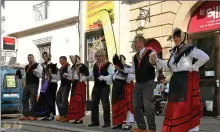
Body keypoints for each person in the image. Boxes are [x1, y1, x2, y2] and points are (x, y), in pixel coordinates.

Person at [149, 28, 209, 132]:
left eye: (178, 36)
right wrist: (156, 61)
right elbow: (168, 67)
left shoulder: (189, 49)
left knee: (185, 107)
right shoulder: (174, 53)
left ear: (183, 37)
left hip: (186, 81)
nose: (176, 38)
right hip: (175, 81)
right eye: (175, 36)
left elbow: (205, 57)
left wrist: (193, 67)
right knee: (176, 109)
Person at [116, 36, 156, 132]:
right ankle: (142, 127)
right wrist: (122, 69)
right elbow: (133, 70)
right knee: (135, 105)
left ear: (141, 42)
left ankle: (152, 129)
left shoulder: (151, 52)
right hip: (138, 83)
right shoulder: (135, 56)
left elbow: (156, 65)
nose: (134, 44)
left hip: (148, 82)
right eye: (134, 42)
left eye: (136, 42)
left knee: (147, 106)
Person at [88, 50, 114, 128]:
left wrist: (105, 77)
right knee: (94, 104)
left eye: (100, 56)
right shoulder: (95, 65)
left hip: (104, 87)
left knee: (105, 104)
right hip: (96, 87)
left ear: (103, 56)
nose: (98, 58)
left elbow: (112, 75)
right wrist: (86, 75)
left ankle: (107, 122)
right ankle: (95, 122)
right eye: (97, 56)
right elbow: (92, 75)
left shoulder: (108, 65)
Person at [110, 54, 135, 130]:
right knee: (117, 107)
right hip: (116, 90)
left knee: (126, 107)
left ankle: (128, 124)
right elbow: (112, 78)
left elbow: (131, 78)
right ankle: (119, 122)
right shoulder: (116, 71)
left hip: (124, 90)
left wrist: (124, 76)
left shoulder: (127, 68)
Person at [35, 52, 59, 121]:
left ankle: (51, 115)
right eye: (43, 56)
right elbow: (42, 75)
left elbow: (57, 73)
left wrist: (52, 77)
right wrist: (36, 73)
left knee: (51, 100)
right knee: (45, 100)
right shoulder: (43, 65)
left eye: (46, 56)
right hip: (45, 83)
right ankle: (47, 114)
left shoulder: (51, 64)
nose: (45, 57)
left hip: (51, 84)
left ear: (48, 56)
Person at [66, 55, 89, 123]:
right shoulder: (73, 67)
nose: (72, 61)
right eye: (71, 60)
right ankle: (76, 117)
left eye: (73, 60)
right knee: (74, 101)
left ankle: (80, 118)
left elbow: (87, 75)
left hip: (80, 84)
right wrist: (67, 76)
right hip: (74, 84)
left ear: (76, 59)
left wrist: (81, 79)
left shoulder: (82, 66)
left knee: (79, 101)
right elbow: (73, 77)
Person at [19, 54, 43, 121]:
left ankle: (34, 115)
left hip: (34, 84)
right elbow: (25, 76)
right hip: (27, 85)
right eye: (28, 58)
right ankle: (26, 115)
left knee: (33, 100)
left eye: (30, 58)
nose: (29, 59)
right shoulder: (26, 66)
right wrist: (23, 82)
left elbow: (41, 75)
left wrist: (36, 72)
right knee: (24, 98)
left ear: (33, 58)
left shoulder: (38, 65)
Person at [56, 56, 72, 122]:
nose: (60, 61)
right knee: (57, 98)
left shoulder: (69, 66)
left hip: (66, 85)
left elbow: (72, 76)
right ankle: (61, 115)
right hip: (62, 85)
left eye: (61, 60)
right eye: (59, 60)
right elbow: (59, 78)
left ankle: (66, 116)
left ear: (65, 60)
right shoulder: (61, 68)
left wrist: (66, 75)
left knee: (64, 100)